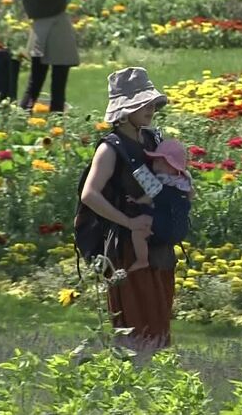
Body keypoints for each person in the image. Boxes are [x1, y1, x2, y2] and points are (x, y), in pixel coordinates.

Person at [80, 67, 175, 353]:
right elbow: (90, 194)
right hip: (128, 249)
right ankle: (127, 388)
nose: (150, 109)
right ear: (124, 110)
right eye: (141, 104)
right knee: (135, 328)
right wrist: (129, 222)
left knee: (159, 326)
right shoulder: (110, 149)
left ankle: (153, 389)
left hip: (158, 243)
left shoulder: (153, 140)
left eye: (150, 102)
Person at [17, 0, 91, 113]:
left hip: (38, 27)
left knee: (34, 83)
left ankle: (21, 117)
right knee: (58, 83)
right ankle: (56, 123)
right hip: (57, 24)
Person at [126, 139, 194, 271]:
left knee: (138, 230)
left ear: (170, 165)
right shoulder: (184, 182)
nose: (154, 163)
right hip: (180, 227)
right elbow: (191, 195)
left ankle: (142, 260)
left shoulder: (158, 182)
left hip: (164, 226)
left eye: (157, 161)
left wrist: (136, 201)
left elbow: (148, 198)